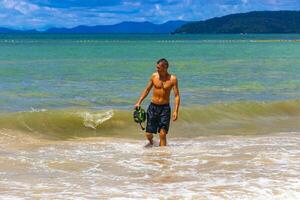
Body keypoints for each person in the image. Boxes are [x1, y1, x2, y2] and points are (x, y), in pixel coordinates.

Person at [134, 58, 180, 147]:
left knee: (162, 134)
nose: (157, 69)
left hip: (165, 108)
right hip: (153, 107)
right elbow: (147, 90)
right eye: (157, 67)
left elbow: (176, 96)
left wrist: (175, 111)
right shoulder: (154, 76)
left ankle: (162, 156)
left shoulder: (173, 79)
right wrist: (139, 102)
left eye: (158, 68)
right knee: (148, 134)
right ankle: (151, 142)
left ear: (165, 67)